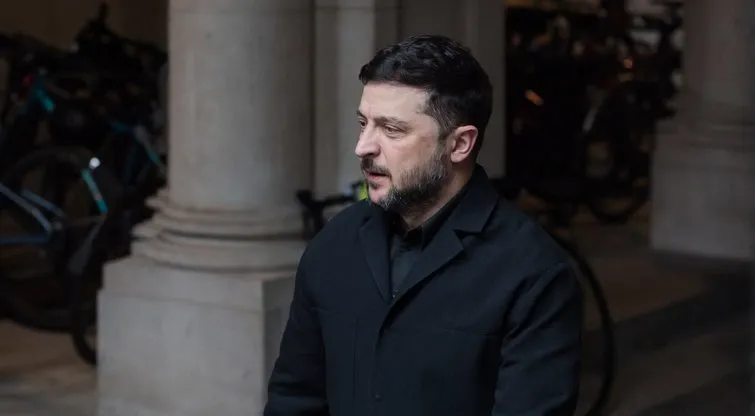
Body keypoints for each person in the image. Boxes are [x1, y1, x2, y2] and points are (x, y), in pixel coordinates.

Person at [265, 34, 582, 416]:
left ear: (459, 144)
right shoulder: (335, 242)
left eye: (392, 130)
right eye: (363, 123)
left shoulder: (533, 273)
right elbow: (294, 398)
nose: (363, 147)